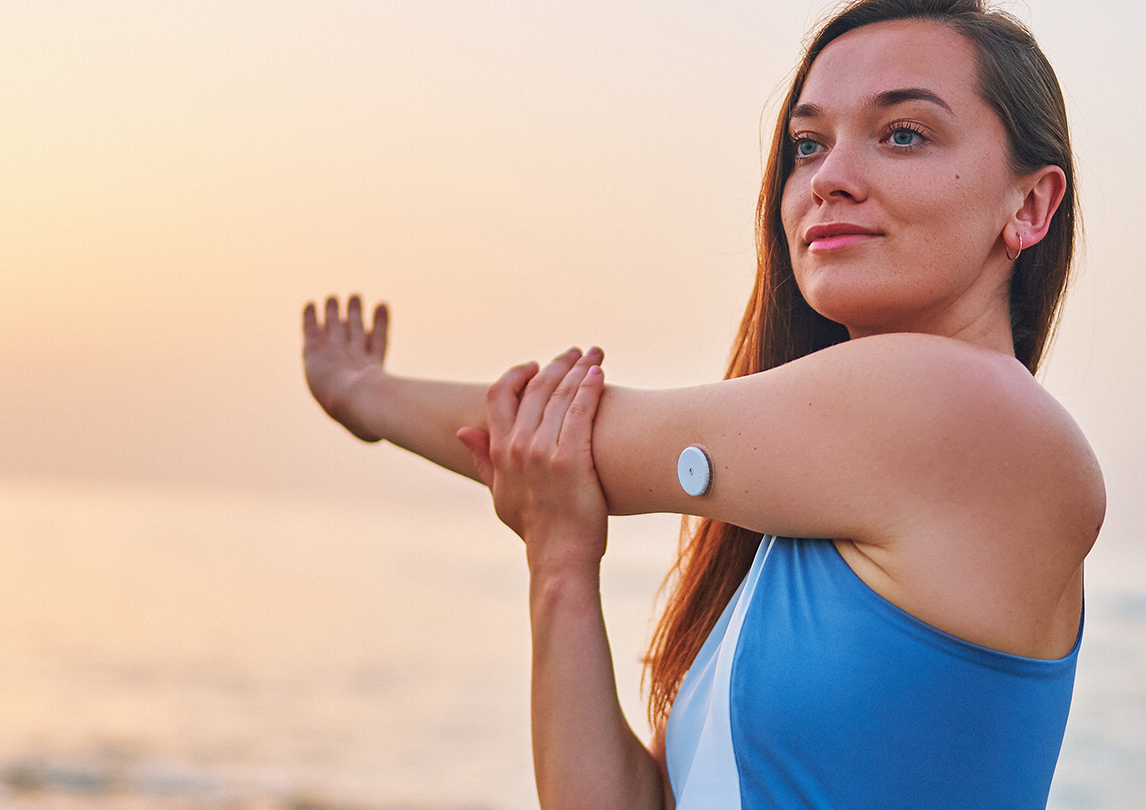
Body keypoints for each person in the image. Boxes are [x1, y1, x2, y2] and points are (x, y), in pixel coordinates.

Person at [299, 0, 1100, 805]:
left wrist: (363, 394)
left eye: (902, 134)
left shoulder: (968, 410)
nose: (828, 179)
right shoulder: (816, 522)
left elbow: (581, 438)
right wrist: (560, 565)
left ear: (1029, 206)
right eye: (808, 144)